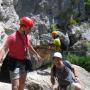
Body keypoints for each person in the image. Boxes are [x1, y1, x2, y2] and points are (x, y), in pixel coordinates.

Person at [0, 16, 41, 90]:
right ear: (23, 27)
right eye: (29, 28)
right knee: (15, 86)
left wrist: (36, 54)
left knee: (22, 84)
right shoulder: (12, 37)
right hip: (14, 63)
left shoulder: (26, 36)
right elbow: (4, 48)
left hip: (24, 62)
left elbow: (29, 45)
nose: (30, 30)